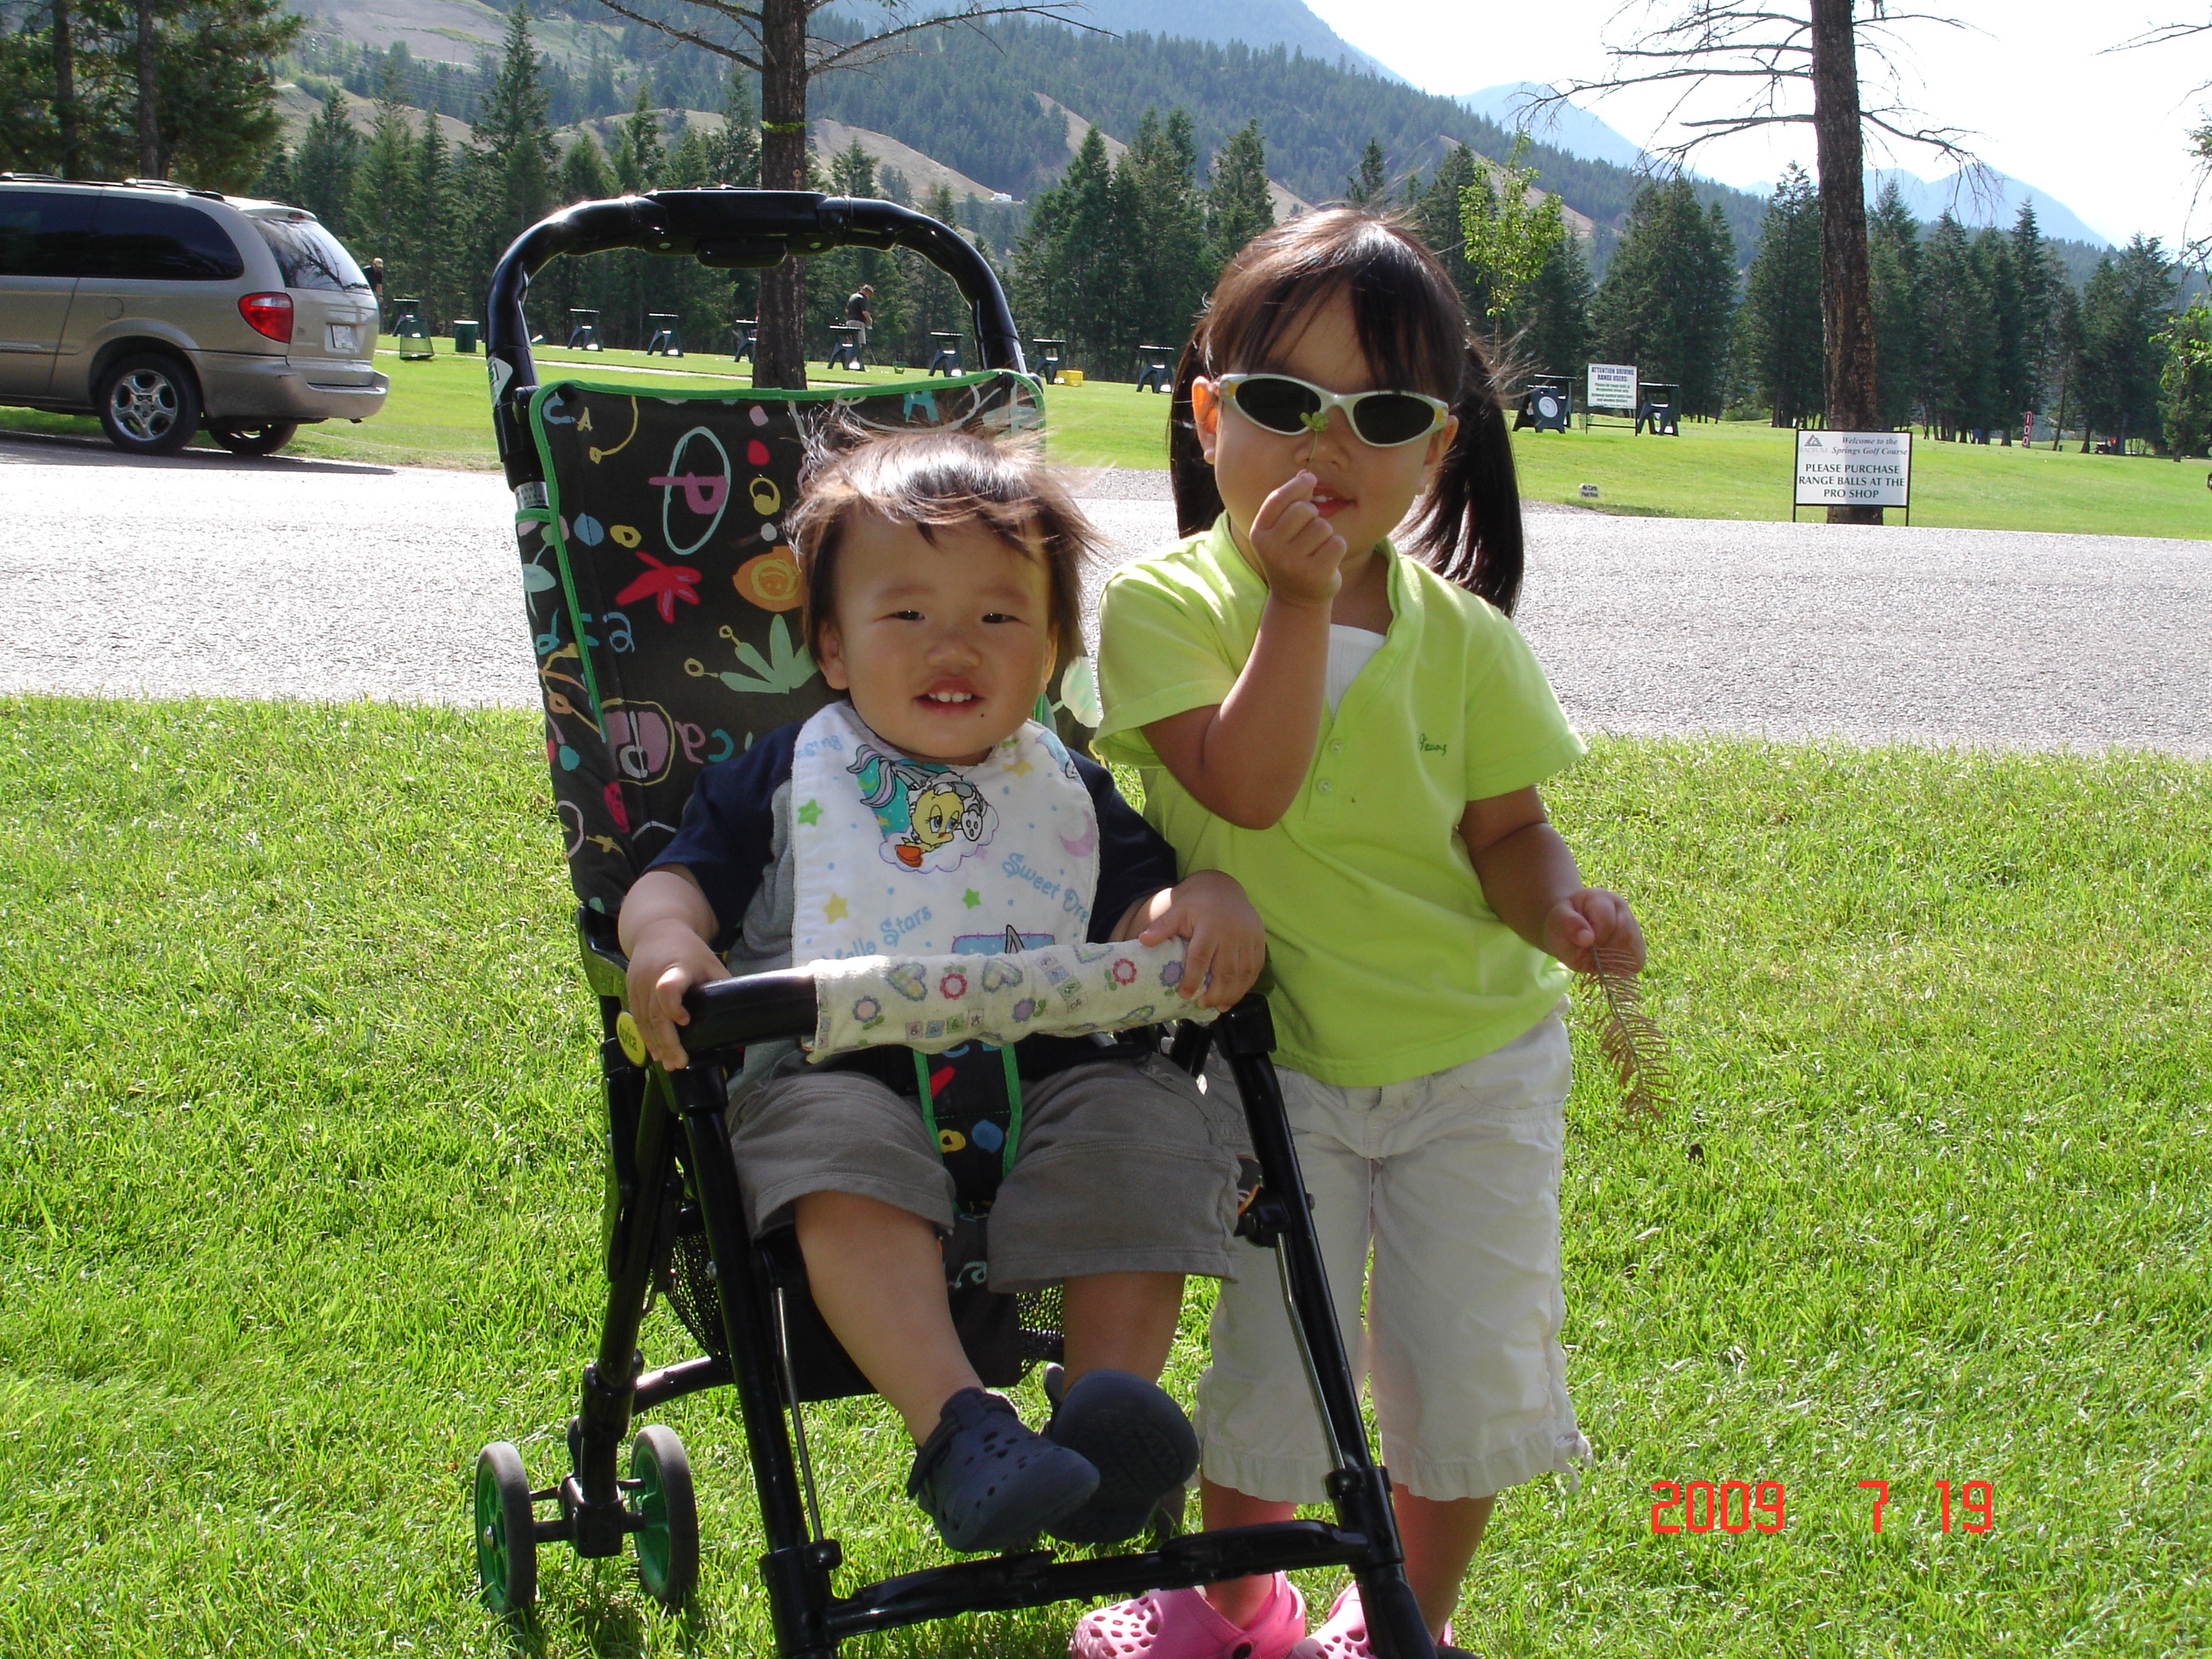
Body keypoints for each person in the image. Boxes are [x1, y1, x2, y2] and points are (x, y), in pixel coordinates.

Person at [1072, 209, 1647, 1659]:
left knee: (1460, 1370)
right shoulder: (1163, 607)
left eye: (1380, 415)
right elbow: (1245, 790)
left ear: (1434, 448)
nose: (1327, 443)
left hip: (1478, 1061)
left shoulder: (1470, 641)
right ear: (1208, 417)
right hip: (1279, 1073)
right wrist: (1294, 601)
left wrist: (1559, 905)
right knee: (1274, 1361)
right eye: (1283, 401)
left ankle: (1403, 1622)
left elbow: (1506, 831)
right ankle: (1236, 1606)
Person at [619, 427, 1266, 1557]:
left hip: (1054, 1084)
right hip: (839, 1078)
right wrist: (666, 942)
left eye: (999, 618)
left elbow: (1139, 907)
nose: (952, 646)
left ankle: (1106, 1415)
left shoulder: (1064, 789)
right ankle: (960, 1432)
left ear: (1052, 649)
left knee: (1148, 1120)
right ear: (832, 646)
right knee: (834, 1158)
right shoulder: (790, 775)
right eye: (908, 614)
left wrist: (1199, 899)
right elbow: (676, 880)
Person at [847, 281, 874, 358]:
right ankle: (854, 361)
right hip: (858, 323)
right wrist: (869, 320)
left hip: (849, 321)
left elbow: (847, 310)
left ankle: (848, 359)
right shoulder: (862, 298)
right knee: (858, 343)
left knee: (850, 343)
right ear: (867, 292)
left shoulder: (853, 296)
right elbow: (864, 312)